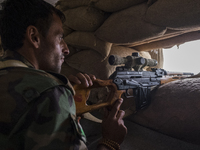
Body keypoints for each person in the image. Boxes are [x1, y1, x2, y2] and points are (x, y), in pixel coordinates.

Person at [0, 0, 127, 149]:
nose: (66, 49)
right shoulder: (49, 92)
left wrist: (69, 111)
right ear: (34, 37)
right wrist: (110, 141)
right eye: (60, 38)